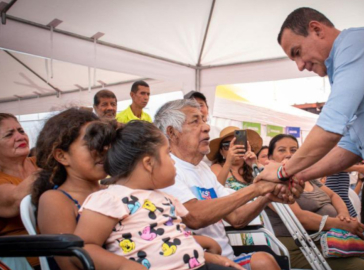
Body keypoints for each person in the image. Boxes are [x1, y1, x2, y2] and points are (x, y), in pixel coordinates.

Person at [258, 7, 364, 270]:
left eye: (297, 52)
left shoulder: (355, 42)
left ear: (316, 29)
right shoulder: (345, 68)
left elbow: (332, 123)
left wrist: (284, 171)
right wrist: (301, 175)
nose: (300, 65)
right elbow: (349, 146)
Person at [74, 120, 242, 270]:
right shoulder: (110, 199)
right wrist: (122, 265)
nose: (174, 161)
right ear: (149, 163)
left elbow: (169, 241)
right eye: (168, 154)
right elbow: (84, 246)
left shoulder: (165, 197)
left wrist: (207, 254)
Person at [154, 99, 299, 270]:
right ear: (172, 132)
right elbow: (194, 216)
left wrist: (266, 196)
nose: (206, 127)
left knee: (263, 260)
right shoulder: (167, 169)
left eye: (204, 120)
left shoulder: (203, 169)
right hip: (197, 263)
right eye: (195, 121)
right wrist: (258, 188)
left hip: (227, 258)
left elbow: (236, 218)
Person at [266, 134, 364, 270]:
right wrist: (340, 224)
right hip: (299, 247)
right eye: (281, 150)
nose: (289, 154)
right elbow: (300, 218)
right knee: (359, 266)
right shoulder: (273, 183)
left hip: (326, 240)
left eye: (293, 150)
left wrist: (343, 215)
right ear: (270, 157)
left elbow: (333, 195)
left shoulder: (305, 177)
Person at [31, 108, 105, 269]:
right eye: (91, 144)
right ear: (62, 156)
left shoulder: (110, 190)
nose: (103, 149)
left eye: (104, 142)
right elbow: (70, 265)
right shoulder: (55, 200)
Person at [0, 113, 39, 270]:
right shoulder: (46, 167)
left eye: (21, 131)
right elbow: (16, 199)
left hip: (66, 252)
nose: (20, 137)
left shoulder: (40, 162)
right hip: (27, 262)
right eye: (9, 134)